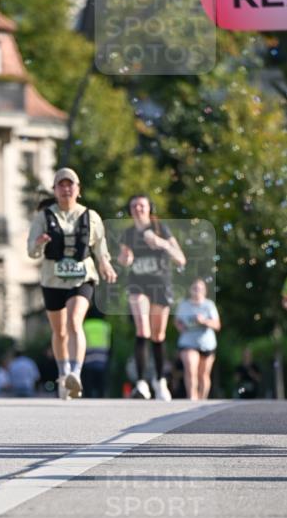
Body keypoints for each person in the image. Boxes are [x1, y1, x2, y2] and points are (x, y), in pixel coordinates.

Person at [27, 167, 117, 399]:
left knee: (74, 322)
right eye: (61, 185)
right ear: (55, 190)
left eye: (70, 185)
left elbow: (100, 246)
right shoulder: (44, 217)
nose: (66, 189)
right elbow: (31, 251)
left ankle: (75, 373)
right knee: (59, 331)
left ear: (78, 189)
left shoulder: (91, 216)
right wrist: (39, 243)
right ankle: (63, 372)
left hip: (82, 277)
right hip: (52, 279)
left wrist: (105, 264)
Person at [118, 194, 186, 400]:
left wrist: (161, 243)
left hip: (160, 285)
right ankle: (140, 383)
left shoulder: (161, 229)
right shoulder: (128, 234)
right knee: (142, 329)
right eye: (134, 206)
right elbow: (123, 259)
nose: (138, 209)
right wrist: (125, 259)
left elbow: (181, 259)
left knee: (158, 335)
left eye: (142, 205)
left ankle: (159, 381)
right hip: (138, 285)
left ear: (149, 208)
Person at [174, 279, 221, 400]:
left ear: (204, 291)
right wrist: (180, 326)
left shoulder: (209, 305)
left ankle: (202, 400)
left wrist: (203, 321)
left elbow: (217, 325)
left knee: (203, 374)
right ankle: (192, 398)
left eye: (199, 288)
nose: (197, 291)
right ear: (190, 290)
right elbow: (177, 321)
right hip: (188, 342)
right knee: (190, 369)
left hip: (207, 343)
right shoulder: (184, 305)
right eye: (194, 288)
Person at [82, 314, 112, 398]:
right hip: (102, 360)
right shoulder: (106, 326)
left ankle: (87, 398)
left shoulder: (85, 325)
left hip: (87, 360)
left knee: (88, 386)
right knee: (101, 386)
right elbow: (110, 345)